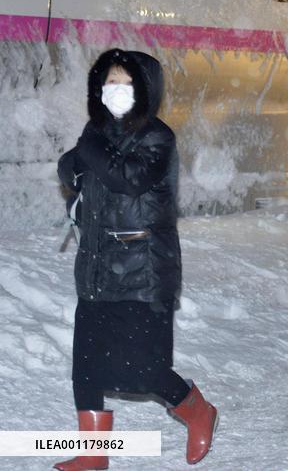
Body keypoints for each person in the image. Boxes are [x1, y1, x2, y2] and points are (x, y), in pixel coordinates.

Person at [56, 49, 218, 471]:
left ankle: (197, 409)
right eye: (109, 83)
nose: (116, 91)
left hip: (143, 270)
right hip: (96, 266)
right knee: (86, 368)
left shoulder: (157, 137)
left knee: (145, 372)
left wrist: (87, 149)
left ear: (145, 90)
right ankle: (93, 455)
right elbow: (69, 168)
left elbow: (127, 180)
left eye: (126, 84)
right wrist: (80, 157)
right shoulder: (99, 135)